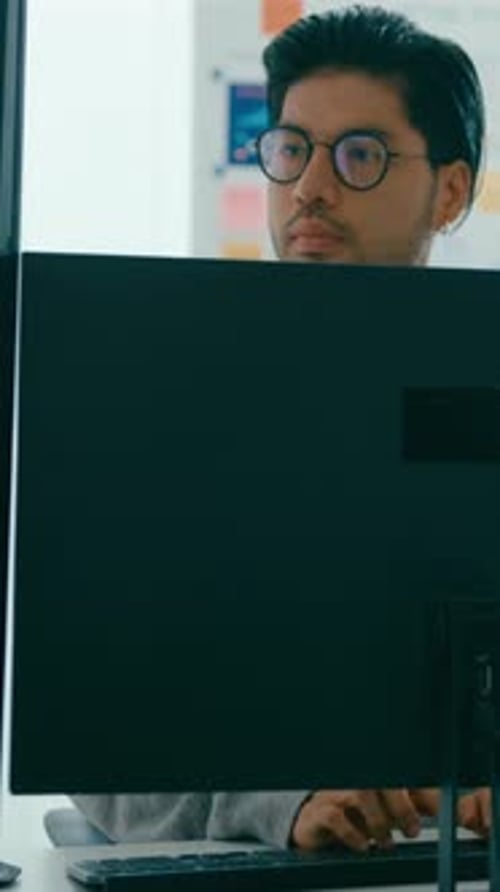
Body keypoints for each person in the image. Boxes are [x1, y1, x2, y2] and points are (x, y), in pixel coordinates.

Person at [71, 3, 489, 853]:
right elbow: (91, 724)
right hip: (246, 868)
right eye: (292, 150)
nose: (309, 188)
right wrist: (278, 802)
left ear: (450, 190)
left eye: (360, 156)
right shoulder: (170, 402)